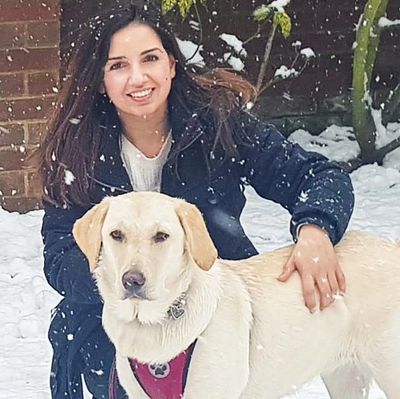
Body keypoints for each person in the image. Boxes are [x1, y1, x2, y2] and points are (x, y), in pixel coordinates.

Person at [38, 2, 354, 398]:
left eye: (150, 58)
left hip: (217, 319)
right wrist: (117, 278)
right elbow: (60, 253)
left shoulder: (217, 124)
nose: (137, 78)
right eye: (117, 65)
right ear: (100, 80)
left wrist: (315, 229)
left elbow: (317, 176)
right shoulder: (75, 151)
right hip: (113, 329)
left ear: (171, 64)